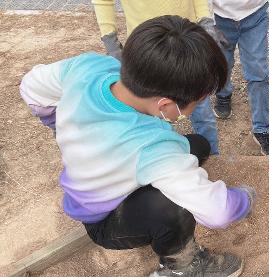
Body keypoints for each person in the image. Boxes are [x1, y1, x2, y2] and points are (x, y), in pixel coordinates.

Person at [19, 16, 255, 277]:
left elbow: (31, 87)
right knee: (173, 209)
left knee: (197, 145)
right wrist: (243, 199)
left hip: (114, 168)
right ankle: (182, 267)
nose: (197, 107)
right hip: (106, 218)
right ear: (165, 105)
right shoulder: (155, 148)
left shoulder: (91, 67)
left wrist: (56, 123)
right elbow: (217, 212)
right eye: (197, 102)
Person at [91, 0, 227, 154]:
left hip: (188, 52)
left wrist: (205, 21)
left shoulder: (86, 70)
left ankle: (213, 157)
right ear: (164, 105)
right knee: (152, 123)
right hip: (149, 55)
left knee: (202, 118)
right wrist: (110, 40)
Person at [191, 0, 269, 156]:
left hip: (255, 15)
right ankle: (223, 93)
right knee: (223, 65)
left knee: (258, 73)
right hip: (218, 17)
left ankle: (262, 128)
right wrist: (205, 21)